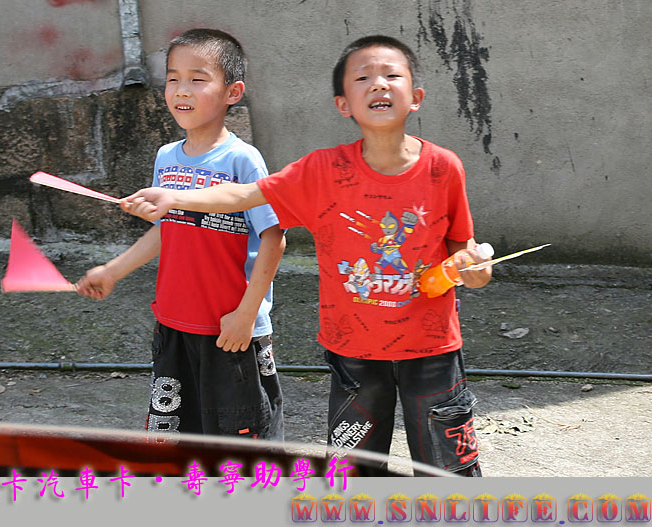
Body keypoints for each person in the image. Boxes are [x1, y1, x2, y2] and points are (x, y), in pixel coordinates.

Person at [119, 35, 492, 475]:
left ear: (416, 98)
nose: (378, 85)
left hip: (433, 349)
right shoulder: (321, 171)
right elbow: (246, 194)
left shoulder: (443, 167)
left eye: (392, 75)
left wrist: (476, 269)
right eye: (363, 78)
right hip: (353, 352)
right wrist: (175, 199)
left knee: (451, 471)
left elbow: (464, 255)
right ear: (342, 104)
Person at [77, 29, 285, 441]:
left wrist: (246, 315)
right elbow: (165, 233)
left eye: (197, 78)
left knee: (242, 443)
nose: (181, 90)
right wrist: (113, 270)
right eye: (173, 78)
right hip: (174, 323)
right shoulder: (166, 157)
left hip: (230, 330)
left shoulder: (243, 159)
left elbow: (274, 239)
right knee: (178, 439)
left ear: (233, 91)